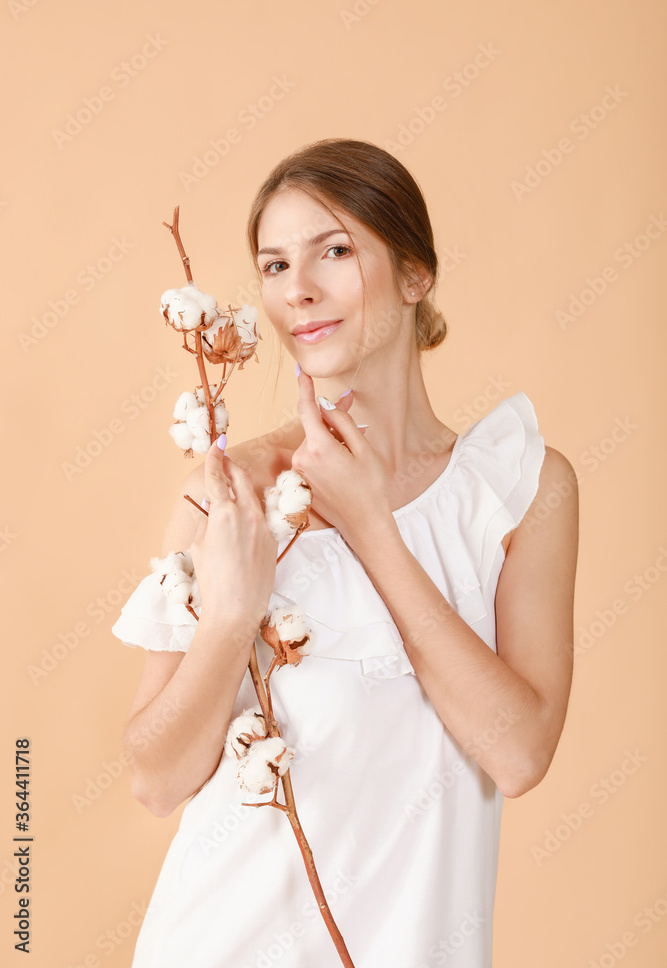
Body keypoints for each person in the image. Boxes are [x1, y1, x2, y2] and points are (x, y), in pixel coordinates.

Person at [111, 137, 579, 967]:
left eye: (333, 250)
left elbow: (517, 752)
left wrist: (370, 526)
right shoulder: (231, 494)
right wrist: (227, 621)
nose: (299, 288)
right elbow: (156, 779)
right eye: (274, 264)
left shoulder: (517, 490)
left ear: (413, 273)